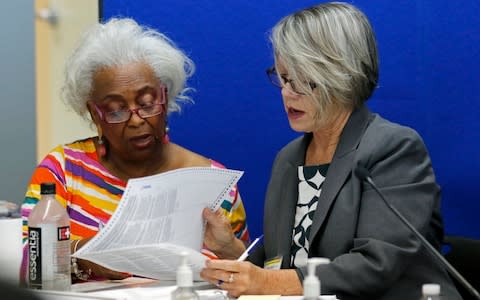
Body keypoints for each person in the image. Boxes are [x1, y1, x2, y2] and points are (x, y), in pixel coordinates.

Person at [201, 2, 461, 299]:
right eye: (284, 78)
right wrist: (230, 249)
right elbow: (284, 265)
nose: (287, 92)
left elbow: (375, 264)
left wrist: (267, 283)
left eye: (301, 81)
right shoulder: (289, 159)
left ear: (342, 76)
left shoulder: (394, 148)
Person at [20, 18, 249, 282]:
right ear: (94, 114)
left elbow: (248, 277)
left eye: (148, 103)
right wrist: (84, 257)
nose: (137, 120)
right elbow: (29, 269)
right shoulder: (62, 169)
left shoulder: (214, 182)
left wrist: (230, 250)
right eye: (116, 110)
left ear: (166, 97)